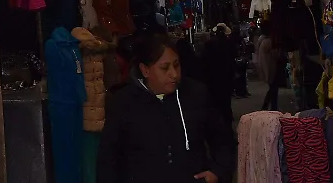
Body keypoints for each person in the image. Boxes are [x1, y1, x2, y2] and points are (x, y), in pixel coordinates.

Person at [97, 34, 234, 183]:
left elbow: (223, 139)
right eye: (164, 68)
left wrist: (217, 171)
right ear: (145, 70)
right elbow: (108, 159)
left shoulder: (195, 94)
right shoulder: (123, 103)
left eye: (176, 65)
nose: (174, 74)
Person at [255, 32, 283, 111]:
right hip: (270, 68)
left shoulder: (262, 40)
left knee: (272, 88)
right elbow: (276, 55)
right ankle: (273, 107)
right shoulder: (268, 42)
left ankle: (267, 105)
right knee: (274, 88)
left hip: (266, 68)